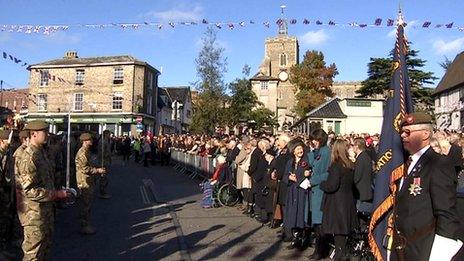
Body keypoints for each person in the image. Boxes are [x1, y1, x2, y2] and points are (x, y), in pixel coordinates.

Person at [391, 112, 462, 260]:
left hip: (424, 249)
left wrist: (439, 256)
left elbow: (446, 214)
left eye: (408, 132)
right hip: (401, 248)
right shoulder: (405, 164)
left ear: (425, 134)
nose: (403, 136)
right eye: (402, 132)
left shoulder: (438, 164)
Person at [15, 120, 72, 261]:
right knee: (33, 254)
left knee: (44, 250)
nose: (47, 134)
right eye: (44, 132)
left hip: (45, 211)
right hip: (34, 215)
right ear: (33, 134)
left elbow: (47, 180)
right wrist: (56, 194)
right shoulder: (29, 157)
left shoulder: (42, 152)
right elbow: (29, 190)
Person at [320, 139, 358, 261]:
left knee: (338, 233)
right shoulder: (349, 165)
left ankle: (340, 256)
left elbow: (332, 186)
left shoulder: (336, 166)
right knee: (342, 232)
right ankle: (342, 254)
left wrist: (322, 184)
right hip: (347, 200)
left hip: (337, 202)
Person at [282, 138, 311, 249]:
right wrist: (289, 177)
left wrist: (298, 177)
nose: (300, 151)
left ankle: (303, 238)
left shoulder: (306, 161)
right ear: (293, 151)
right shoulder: (290, 162)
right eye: (297, 149)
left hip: (302, 191)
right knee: (292, 214)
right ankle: (295, 238)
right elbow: (284, 175)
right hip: (292, 191)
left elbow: (307, 174)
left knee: (301, 214)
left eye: (301, 148)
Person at [307, 128, 331, 260]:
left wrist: (313, 180)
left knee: (320, 224)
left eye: (315, 140)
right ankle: (319, 250)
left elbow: (328, 173)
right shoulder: (317, 152)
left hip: (320, 191)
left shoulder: (327, 152)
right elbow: (311, 162)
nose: (313, 142)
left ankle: (321, 250)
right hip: (314, 192)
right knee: (316, 224)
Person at [76, 133, 107, 235]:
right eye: (90, 140)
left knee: (88, 204)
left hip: (88, 180)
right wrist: (97, 170)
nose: (92, 141)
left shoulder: (86, 152)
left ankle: (86, 224)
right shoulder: (82, 153)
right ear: (85, 141)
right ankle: (84, 226)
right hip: (84, 182)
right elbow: (84, 168)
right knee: (86, 204)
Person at [352, 137, 373, 215]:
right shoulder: (365, 156)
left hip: (361, 192)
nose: (352, 147)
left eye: (353, 145)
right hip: (364, 191)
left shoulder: (361, 158)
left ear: (357, 146)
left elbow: (357, 176)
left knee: (360, 215)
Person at [98, 130, 112, 198]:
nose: (110, 135)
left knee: (105, 177)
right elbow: (102, 153)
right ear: (106, 134)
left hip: (106, 161)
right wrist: (108, 155)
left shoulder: (105, 140)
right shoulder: (103, 141)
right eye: (109, 134)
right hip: (103, 162)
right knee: (103, 177)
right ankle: (102, 193)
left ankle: (104, 191)